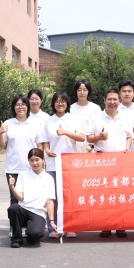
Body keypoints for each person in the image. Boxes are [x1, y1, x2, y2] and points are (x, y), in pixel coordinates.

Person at [87, 88, 133, 238]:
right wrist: (98, 137)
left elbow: (129, 136)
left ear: (119, 101)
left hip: (120, 162)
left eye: (115, 99)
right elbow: (88, 138)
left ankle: (120, 226)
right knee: (104, 195)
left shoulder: (125, 118)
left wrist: (127, 147)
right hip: (102, 162)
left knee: (120, 194)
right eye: (109, 99)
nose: (112, 102)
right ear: (104, 101)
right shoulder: (96, 118)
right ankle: (105, 225)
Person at [39, 91, 85, 239]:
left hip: (69, 164)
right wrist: (47, 150)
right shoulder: (48, 120)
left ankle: (70, 227)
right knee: (52, 197)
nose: (60, 104)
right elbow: (45, 140)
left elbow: (82, 137)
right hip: (52, 164)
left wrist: (65, 132)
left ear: (67, 103)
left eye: (63, 101)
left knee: (69, 196)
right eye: (57, 101)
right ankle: (54, 228)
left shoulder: (74, 119)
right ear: (53, 104)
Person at [0, 94, 43, 205]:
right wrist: (0, 133)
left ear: (27, 106)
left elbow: (39, 146)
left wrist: (40, 164)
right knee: (15, 199)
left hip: (31, 168)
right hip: (13, 168)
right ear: (14, 107)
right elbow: (2, 145)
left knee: (31, 198)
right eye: (17, 105)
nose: (20, 107)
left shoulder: (35, 124)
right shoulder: (8, 123)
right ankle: (15, 217)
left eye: (23, 104)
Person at [7, 148, 58, 248]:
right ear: (28, 161)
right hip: (23, 209)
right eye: (31, 160)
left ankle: (29, 233)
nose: (34, 163)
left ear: (43, 160)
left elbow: (49, 202)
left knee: (35, 235)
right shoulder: (23, 175)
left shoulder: (49, 179)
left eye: (37, 160)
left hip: (38, 212)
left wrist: (52, 221)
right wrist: (12, 187)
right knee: (13, 208)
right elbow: (21, 198)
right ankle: (16, 239)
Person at [70, 79, 101, 153]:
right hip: (74, 149)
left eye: (85, 90)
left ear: (88, 91)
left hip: (92, 149)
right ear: (76, 91)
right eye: (79, 90)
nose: (82, 93)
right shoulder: (70, 109)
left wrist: (90, 147)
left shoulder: (95, 108)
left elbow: (98, 129)